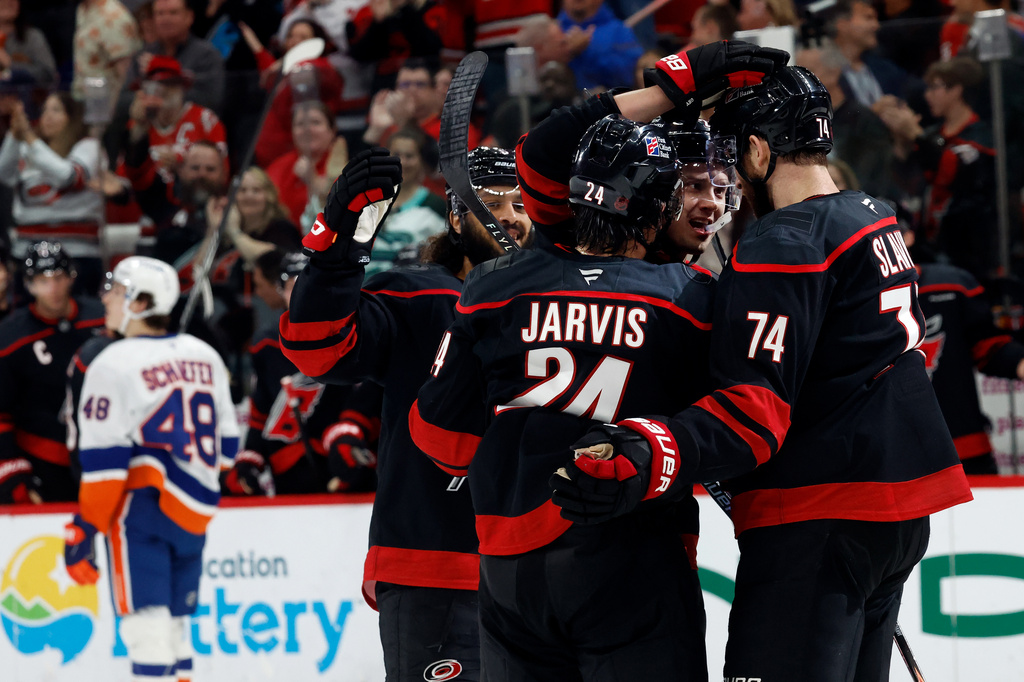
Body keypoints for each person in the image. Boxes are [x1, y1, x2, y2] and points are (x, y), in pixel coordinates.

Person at [551, 60, 974, 681]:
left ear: (756, 148)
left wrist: (651, 450)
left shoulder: (787, 240)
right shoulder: (871, 213)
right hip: (898, 509)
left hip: (821, 513)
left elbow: (754, 411)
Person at [409, 42, 781, 681]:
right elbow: (740, 421)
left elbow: (440, 440)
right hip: (632, 557)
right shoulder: (693, 299)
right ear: (649, 202)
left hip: (509, 570)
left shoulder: (493, 288)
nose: (707, 206)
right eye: (686, 188)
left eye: (718, 188)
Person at [279, 146, 533, 682]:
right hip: (440, 567)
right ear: (459, 216)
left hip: (540, 572)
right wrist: (340, 245)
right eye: (494, 202)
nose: (512, 215)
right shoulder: (421, 295)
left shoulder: (558, 302)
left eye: (522, 203)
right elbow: (314, 348)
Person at [62, 255, 239, 682]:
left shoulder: (111, 363)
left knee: (145, 629)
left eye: (117, 291)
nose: (107, 298)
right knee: (177, 627)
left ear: (140, 302)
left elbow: (105, 467)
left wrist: (84, 527)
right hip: (195, 512)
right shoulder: (206, 355)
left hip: (141, 510)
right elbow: (228, 449)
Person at [224, 251, 369, 496]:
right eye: (293, 287)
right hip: (287, 469)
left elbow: (366, 398)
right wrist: (250, 458)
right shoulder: (266, 345)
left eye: (309, 286)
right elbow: (262, 409)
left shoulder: (353, 334)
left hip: (342, 461)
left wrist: (347, 435)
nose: (302, 295)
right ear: (280, 290)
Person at [902, 221, 1024, 475]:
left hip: (962, 447)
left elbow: (989, 348)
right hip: (884, 456)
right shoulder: (843, 296)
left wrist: (1019, 362)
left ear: (908, 236)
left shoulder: (952, 284)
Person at [0, 241, 104, 504]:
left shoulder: (104, 319)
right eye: (43, 280)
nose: (53, 289)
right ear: (28, 284)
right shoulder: (9, 337)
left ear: (71, 277)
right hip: (42, 457)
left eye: (58, 277)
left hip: (102, 450)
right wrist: (13, 471)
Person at [0, 94, 106, 294]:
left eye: (56, 110)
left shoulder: (89, 147)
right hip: (26, 251)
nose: (47, 116)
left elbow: (68, 176)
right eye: (44, 110)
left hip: (78, 253)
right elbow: (3, 174)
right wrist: (15, 136)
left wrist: (30, 138)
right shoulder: (29, 148)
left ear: (73, 117)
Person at [266, 100, 349, 227]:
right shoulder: (278, 167)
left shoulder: (345, 168)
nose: (307, 130)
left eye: (315, 123)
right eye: (300, 124)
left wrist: (313, 181)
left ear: (332, 130)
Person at [557, 0, 644, 92]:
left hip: (608, 101)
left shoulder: (619, 31)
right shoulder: (552, 30)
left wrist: (587, 51)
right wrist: (567, 53)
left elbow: (630, 75)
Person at [72, 0, 142, 107]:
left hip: (106, 106)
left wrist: (117, 114)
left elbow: (126, 75)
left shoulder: (113, 16)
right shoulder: (82, 9)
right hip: (83, 100)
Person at [0, 0, 57, 87]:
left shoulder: (33, 36)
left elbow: (48, 75)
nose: (9, 2)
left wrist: (11, 64)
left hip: (26, 97)